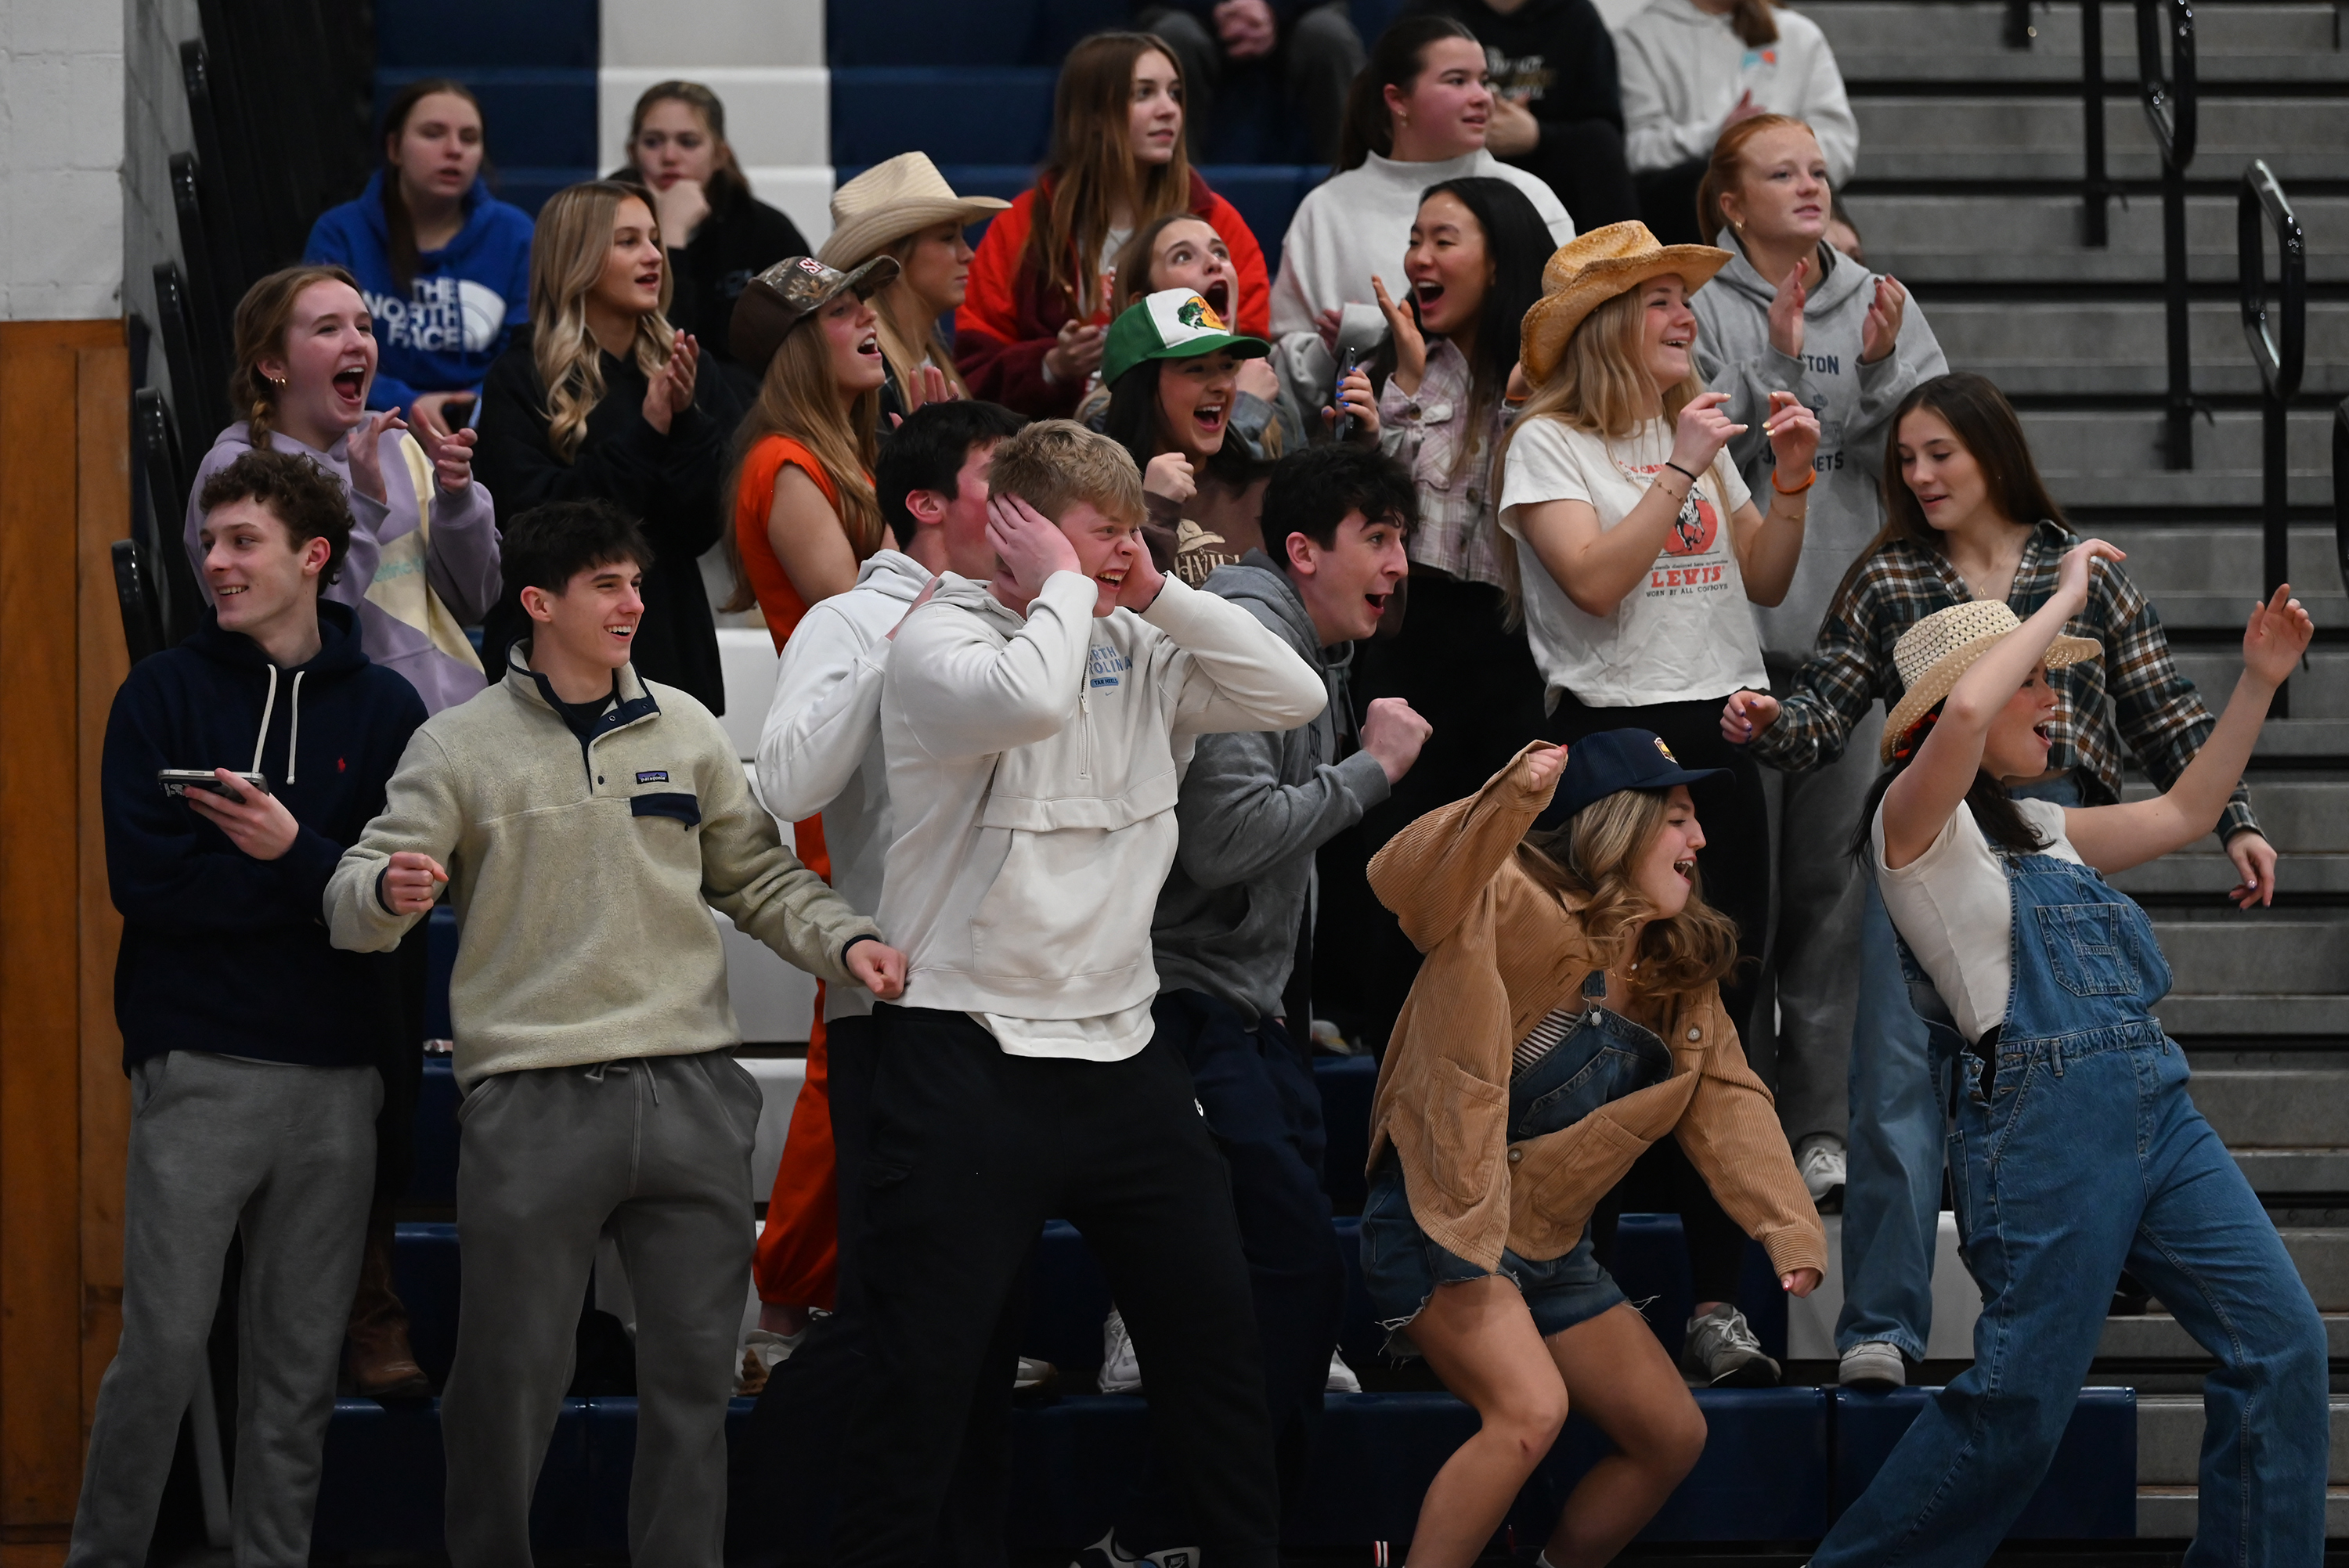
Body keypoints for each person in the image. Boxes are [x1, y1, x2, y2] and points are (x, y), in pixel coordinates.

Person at [323, 499, 908, 1567]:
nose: (635, 601)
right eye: (608, 584)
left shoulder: (685, 724)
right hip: (534, 1098)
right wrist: (384, 891)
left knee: (696, 1387)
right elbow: (356, 893)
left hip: (691, 1092)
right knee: (507, 1386)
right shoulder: (455, 743)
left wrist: (846, 938)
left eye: (637, 581)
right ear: (539, 603)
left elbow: (758, 875)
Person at [831, 420, 1327, 1567]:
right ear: (1024, 531)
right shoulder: (936, 637)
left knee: (1218, 1359)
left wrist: (1154, 589)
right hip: (963, 1051)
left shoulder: (1137, 635)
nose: (1123, 552)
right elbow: (1030, 700)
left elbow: (1294, 691)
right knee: (920, 1390)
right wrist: (1061, 583)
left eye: (1131, 533)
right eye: (1104, 532)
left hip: (1123, 1056)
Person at [1720, 370, 2273, 1390]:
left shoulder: (2084, 570)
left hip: (2055, 830)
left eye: (1942, 454)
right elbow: (1828, 710)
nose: (1921, 475)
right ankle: (1881, 1322)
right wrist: (1771, 723)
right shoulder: (1890, 573)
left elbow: (2164, 706)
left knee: (2054, 1075)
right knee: (1893, 1078)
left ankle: (2059, 1277)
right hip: (1931, 821)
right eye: (1906, 459)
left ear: (1995, 454)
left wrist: (2237, 817)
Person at [1813, 557, 2325, 1568]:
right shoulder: (1911, 821)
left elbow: (2186, 811)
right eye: (2037, 679)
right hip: (2043, 1124)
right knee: (2020, 1405)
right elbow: (1966, 712)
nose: (2054, 698)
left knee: (2283, 1341)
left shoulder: (2045, 826)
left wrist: (2259, 681)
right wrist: (2059, 600)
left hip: (2156, 1104)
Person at [1361, 734, 1825, 1568]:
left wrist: (1788, 1230)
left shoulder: (1677, 973)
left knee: (1670, 1433)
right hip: (1443, 1224)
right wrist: (1511, 795)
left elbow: (1731, 1101)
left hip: (1550, 1244)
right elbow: (1402, 878)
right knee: (1529, 1410)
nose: (1701, 839)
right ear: (1619, 824)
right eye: (1677, 818)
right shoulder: (1508, 895)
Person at [81, 449, 427, 1563]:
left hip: (339, 1078)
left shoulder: (386, 708)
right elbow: (149, 884)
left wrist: (292, 852)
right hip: (198, 1065)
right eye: (209, 542)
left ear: (313, 556)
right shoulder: (161, 694)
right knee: (161, 1351)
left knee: (296, 1373)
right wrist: (318, 882)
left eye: (242, 541)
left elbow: (390, 902)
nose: (215, 562)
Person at [1497, 221, 1820, 1383]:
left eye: (1687, 299)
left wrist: (1790, 483)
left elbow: (1764, 577)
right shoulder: (1548, 443)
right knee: (1600, 1019)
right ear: (1604, 327)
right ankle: (1571, 1286)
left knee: (1718, 1013)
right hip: (1614, 747)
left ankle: (1717, 1304)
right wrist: (1682, 466)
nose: (1688, 316)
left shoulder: (1694, 430)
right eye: (1662, 301)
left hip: (1720, 736)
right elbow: (1592, 581)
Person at [185, 264, 500, 1400]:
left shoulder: (397, 444)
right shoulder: (240, 466)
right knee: (361, 1037)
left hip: (450, 739)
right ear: (274, 362)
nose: (358, 339)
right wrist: (359, 502)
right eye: (328, 326)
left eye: (365, 322)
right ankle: (360, 1309)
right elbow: (300, 626)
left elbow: (475, 593)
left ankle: (455, 1299)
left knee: (429, 1035)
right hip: (336, 760)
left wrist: (453, 494)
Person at [734, 398, 1035, 1563]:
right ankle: (760, 1531)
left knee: (987, 1327)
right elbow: (787, 780)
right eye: (997, 475)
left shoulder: (1027, 620)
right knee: (895, 1319)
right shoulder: (851, 619)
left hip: (1018, 1016)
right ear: (926, 502)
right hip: (899, 1014)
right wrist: (902, 638)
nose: (1022, 498)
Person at [1136, 443, 1428, 1523]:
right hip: (1194, 1002)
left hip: (1253, 1007)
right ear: (1303, 550)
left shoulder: (1309, 643)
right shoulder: (1252, 638)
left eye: (1403, 538)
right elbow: (1224, 837)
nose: (1399, 563)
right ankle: (1180, 1534)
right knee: (1283, 1281)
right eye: (1377, 539)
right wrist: (1374, 771)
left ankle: (1219, 1531)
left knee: (1290, 1293)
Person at [1688, 114, 1944, 1203]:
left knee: (1833, 902)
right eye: (1780, 171)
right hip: (1729, 646)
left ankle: (1821, 1128)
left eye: (1818, 168)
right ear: (1730, 202)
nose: (1809, 183)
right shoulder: (1698, 303)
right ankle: (1733, 1123)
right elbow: (1697, 453)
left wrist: (1877, 372)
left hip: (1853, 648)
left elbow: (1929, 461)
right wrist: (1782, 361)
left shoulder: (1882, 301)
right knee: (1735, 906)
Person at [1314, 176, 1553, 1049]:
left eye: (1444, 239)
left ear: (1500, 257)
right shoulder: (1389, 364)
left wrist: (1518, 407)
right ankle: (1388, 1048)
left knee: (1503, 868)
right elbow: (1358, 521)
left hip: (1514, 643)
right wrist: (1398, 404)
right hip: (1408, 639)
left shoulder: (1551, 369)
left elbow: (1529, 510)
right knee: (1399, 856)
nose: (1420, 256)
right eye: (1415, 238)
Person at [719, 251, 897, 1346]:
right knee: (849, 1036)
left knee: (871, 1033)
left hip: (884, 763)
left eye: (869, 302)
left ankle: (841, 1295)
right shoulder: (786, 463)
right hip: (846, 770)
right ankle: (785, 1295)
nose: (870, 319)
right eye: (842, 310)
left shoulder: (841, 453)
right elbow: (862, 621)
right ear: (796, 345)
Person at [474, 179, 735, 712]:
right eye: (628, 241)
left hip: (669, 647)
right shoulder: (520, 376)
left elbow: (702, 527)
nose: (654, 255)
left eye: (655, 239)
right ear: (576, 259)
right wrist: (648, 433)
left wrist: (686, 422)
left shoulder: (686, 366)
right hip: (554, 659)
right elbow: (536, 526)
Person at [1269, 15, 1575, 416]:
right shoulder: (1327, 208)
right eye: (1457, 81)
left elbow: (1565, 338)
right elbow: (1283, 377)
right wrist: (1333, 350)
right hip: (1372, 443)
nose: (1483, 97)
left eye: (1484, 81)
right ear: (1398, 100)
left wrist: (1378, 331)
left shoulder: (1530, 196)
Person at [956, 32, 1272, 420]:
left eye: (1175, 93)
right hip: (1052, 443)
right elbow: (975, 369)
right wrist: (1052, 366)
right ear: (1092, 116)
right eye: (1144, 93)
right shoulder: (1023, 226)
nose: (1169, 110)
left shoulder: (1215, 222)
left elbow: (1250, 355)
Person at [304, 79, 534, 438]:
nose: (454, 150)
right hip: (364, 423)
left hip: (483, 427)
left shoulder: (515, 234)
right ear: (394, 148)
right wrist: (407, 405)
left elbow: (526, 351)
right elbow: (320, 347)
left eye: (469, 138)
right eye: (433, 134)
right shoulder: (341, 232)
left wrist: (474, 405)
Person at [1105, 286, 1379, 586]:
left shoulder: (1269, 490)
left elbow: (1352, 583)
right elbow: (1117, 607)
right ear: (1140, 389)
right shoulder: (1100, 499)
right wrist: (1155, 511)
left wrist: (1360, 452)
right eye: (1197, 368)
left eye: (1227, 367)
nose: (1222, 385)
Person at [615, 81, 812, 398]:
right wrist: (671, 238)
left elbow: (807, 339)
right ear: (633, 153)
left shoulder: (766, 229)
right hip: (637, 394)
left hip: (748, 403)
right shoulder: (603, 227)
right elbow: (657, 351)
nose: (669, 156)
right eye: (652, 142)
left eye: (688, 142)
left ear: (720, 155)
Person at [1615, 0, 1857, 243]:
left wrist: (1778, 161)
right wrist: (1718, 138)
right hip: (1689, 222)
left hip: (1794, 221)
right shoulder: (1640, 36)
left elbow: (1838, 142)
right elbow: (1636, 150)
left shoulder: (1800, 35)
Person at [1087, 213, 1308, 462]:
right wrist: (1245, 411)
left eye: (1220, 252)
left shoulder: (1275, 400)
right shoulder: (1105, 414)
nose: (1214, 263)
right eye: (1183, 257)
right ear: (1142, 304)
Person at [1405, 0, 1640, 226]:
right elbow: (1401, 103)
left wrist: (1538, 135)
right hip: (1453, 158)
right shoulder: (1429, 14)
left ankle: (1618, 251)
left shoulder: (1575, 15)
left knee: (1601, 143)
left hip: (1548, 160)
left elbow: (1606, 123)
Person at [816, 153, 1010, 420]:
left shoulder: (928, 360)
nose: (968, 254)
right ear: (889, 259)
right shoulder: (871, 379)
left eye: (961, 237)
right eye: (948, 238)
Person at [1133, 0, 1366, 162]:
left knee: (1328, 36)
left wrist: (1272, 10)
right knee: (1175, 38)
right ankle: (1169, 195)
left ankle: (1355, 182)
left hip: (1296, 16)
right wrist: (1224, 10)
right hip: (1194, 15)